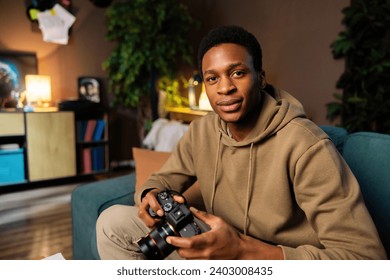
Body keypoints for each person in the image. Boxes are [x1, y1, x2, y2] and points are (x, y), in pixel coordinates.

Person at [96, 25, 386, 260]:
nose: (225, 88)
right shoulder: (203, 131)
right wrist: (151, 194)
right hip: (218, 251)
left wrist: (243, 250)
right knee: (112, 223)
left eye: (237, 73)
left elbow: (366, 259)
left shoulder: (306, 146)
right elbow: (162, 179)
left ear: (260, 78)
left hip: (273, 262)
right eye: (212, 78)